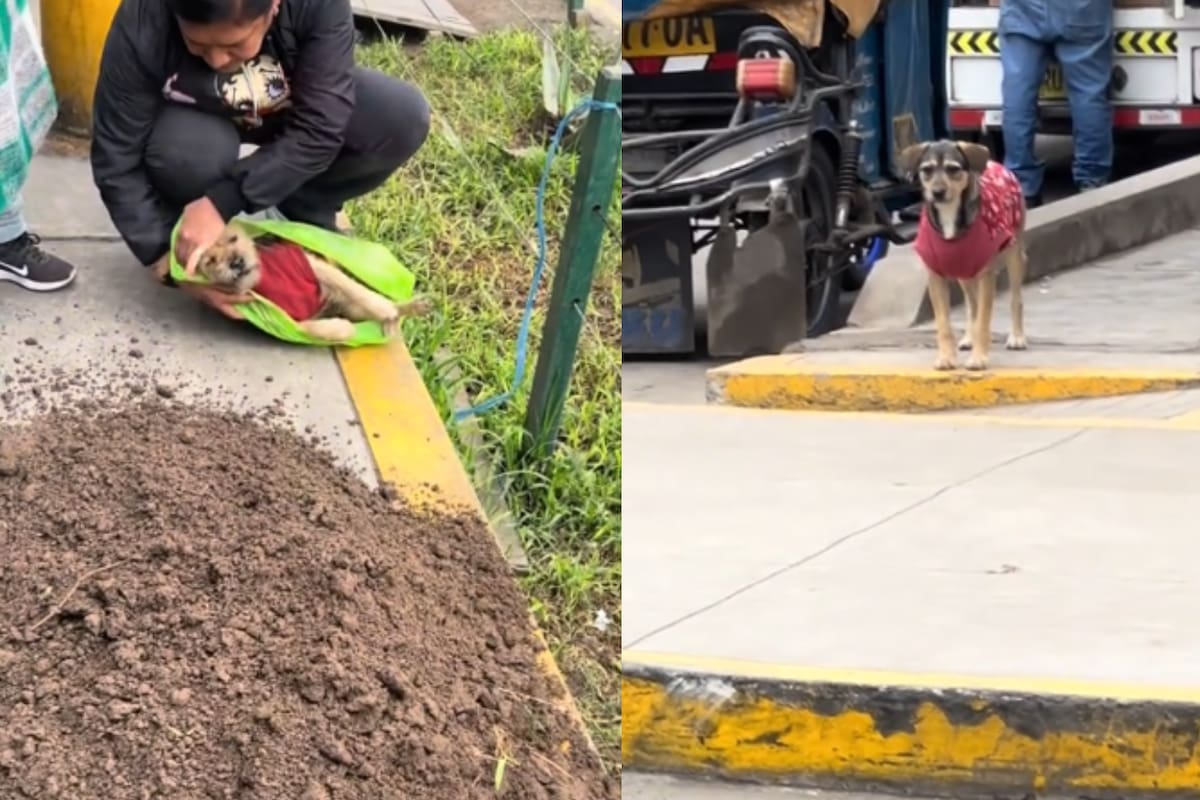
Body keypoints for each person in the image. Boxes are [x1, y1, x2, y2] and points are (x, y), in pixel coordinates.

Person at [90, 0, 431, 319]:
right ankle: (197, 238)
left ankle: (301, 210)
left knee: (398, 116)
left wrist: (225, 199)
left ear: (273, 6)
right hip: (195, 121)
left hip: (289, 105)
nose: (217, 60)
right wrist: (166, 258)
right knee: (186, 154)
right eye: (197, 44)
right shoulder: (144, 17)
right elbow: (115, 154)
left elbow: (320, 126)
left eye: (234, 45)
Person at [998, 0, 1113, 207]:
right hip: (1082, 9)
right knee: (1088, 94)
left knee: (1018, 94)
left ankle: (1022, 184)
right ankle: (1091, 180)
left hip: (1024, 8)